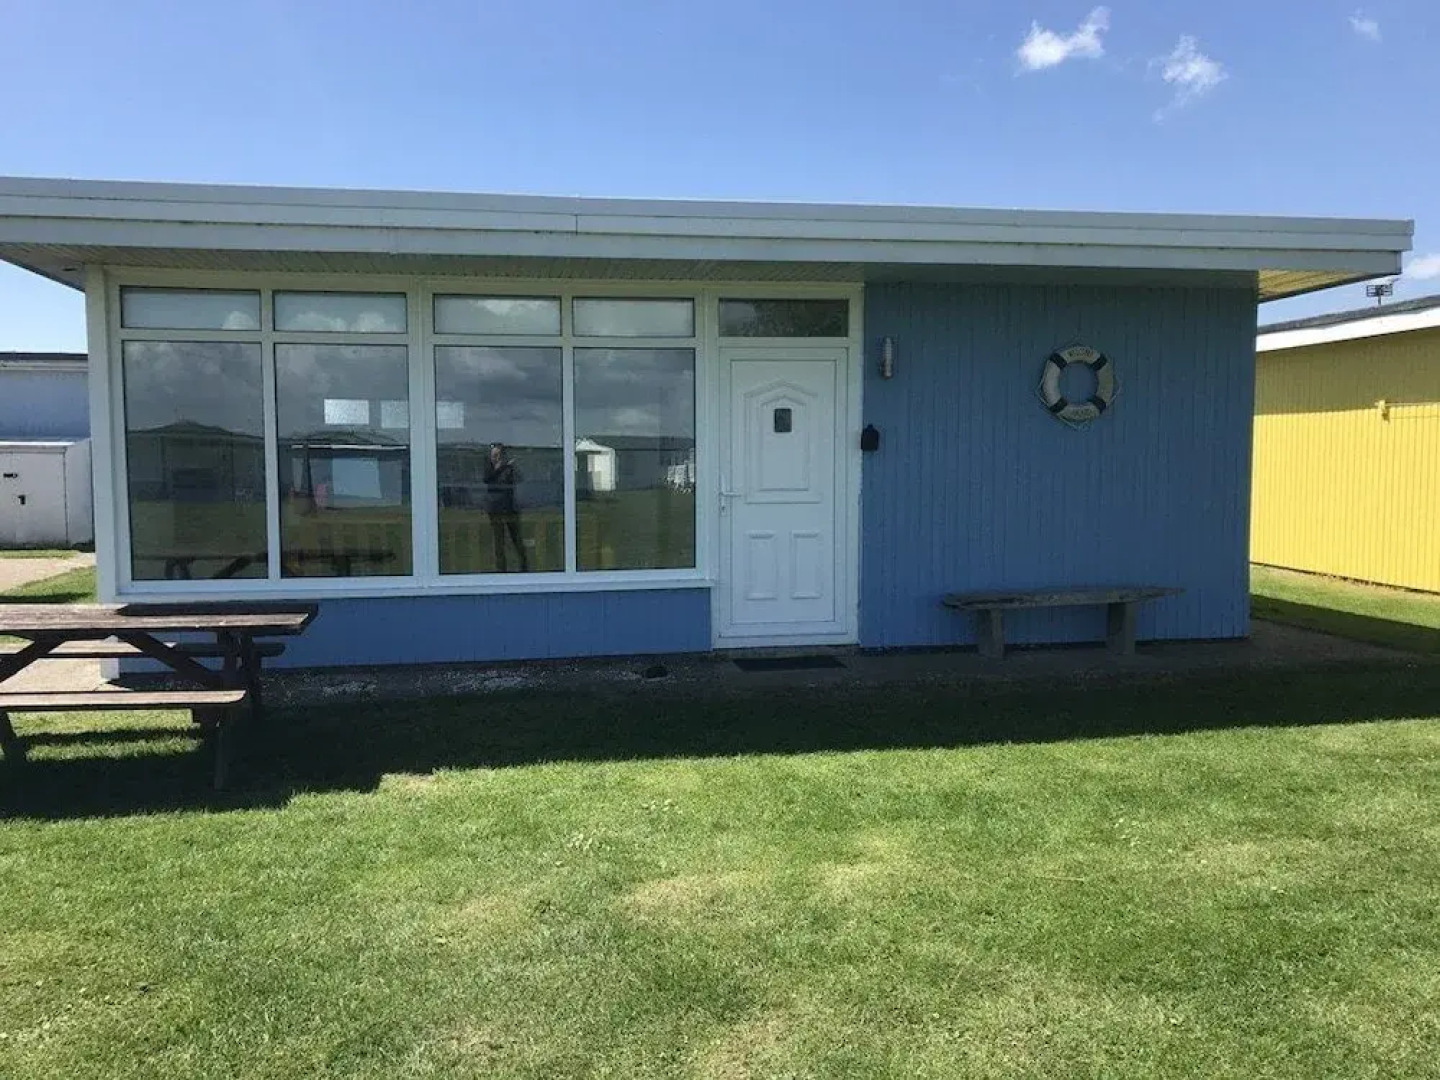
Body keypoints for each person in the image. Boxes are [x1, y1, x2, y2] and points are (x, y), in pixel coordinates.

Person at [483, 442, 528, 572]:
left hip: (509, 508)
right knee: (499, 541)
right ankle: (501, 570)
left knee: (516, 539)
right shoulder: (490, 468)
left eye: (497, 455)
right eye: (492, 455)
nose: (494, 458)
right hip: (495, 509)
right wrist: (499, 468)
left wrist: (510, 467)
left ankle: (524, 567)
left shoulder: (509, 468)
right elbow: (487, 479)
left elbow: (519, 479)